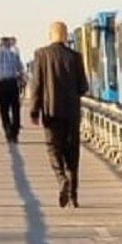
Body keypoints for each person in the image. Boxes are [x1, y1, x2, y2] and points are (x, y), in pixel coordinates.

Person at [28, 21, 89, 208]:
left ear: (50, 35)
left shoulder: (41, 55)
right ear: (65, 36)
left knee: (53, 149)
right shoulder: (76, 57)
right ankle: (73, 196)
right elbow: (83, 87)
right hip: (71, 113)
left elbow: (36, 84)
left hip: (50, 112)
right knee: (73, 154)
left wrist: (34, 110)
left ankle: (61, 179)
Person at [0, 36, 25, 142]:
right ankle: (15, 132)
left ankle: (8, 130)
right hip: (13, 84)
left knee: (3, 110)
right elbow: (20, 70)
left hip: (2, 84)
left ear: (1, 45)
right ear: (9, 44)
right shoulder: (14, 55)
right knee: (15, 109)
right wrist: (20, 81)